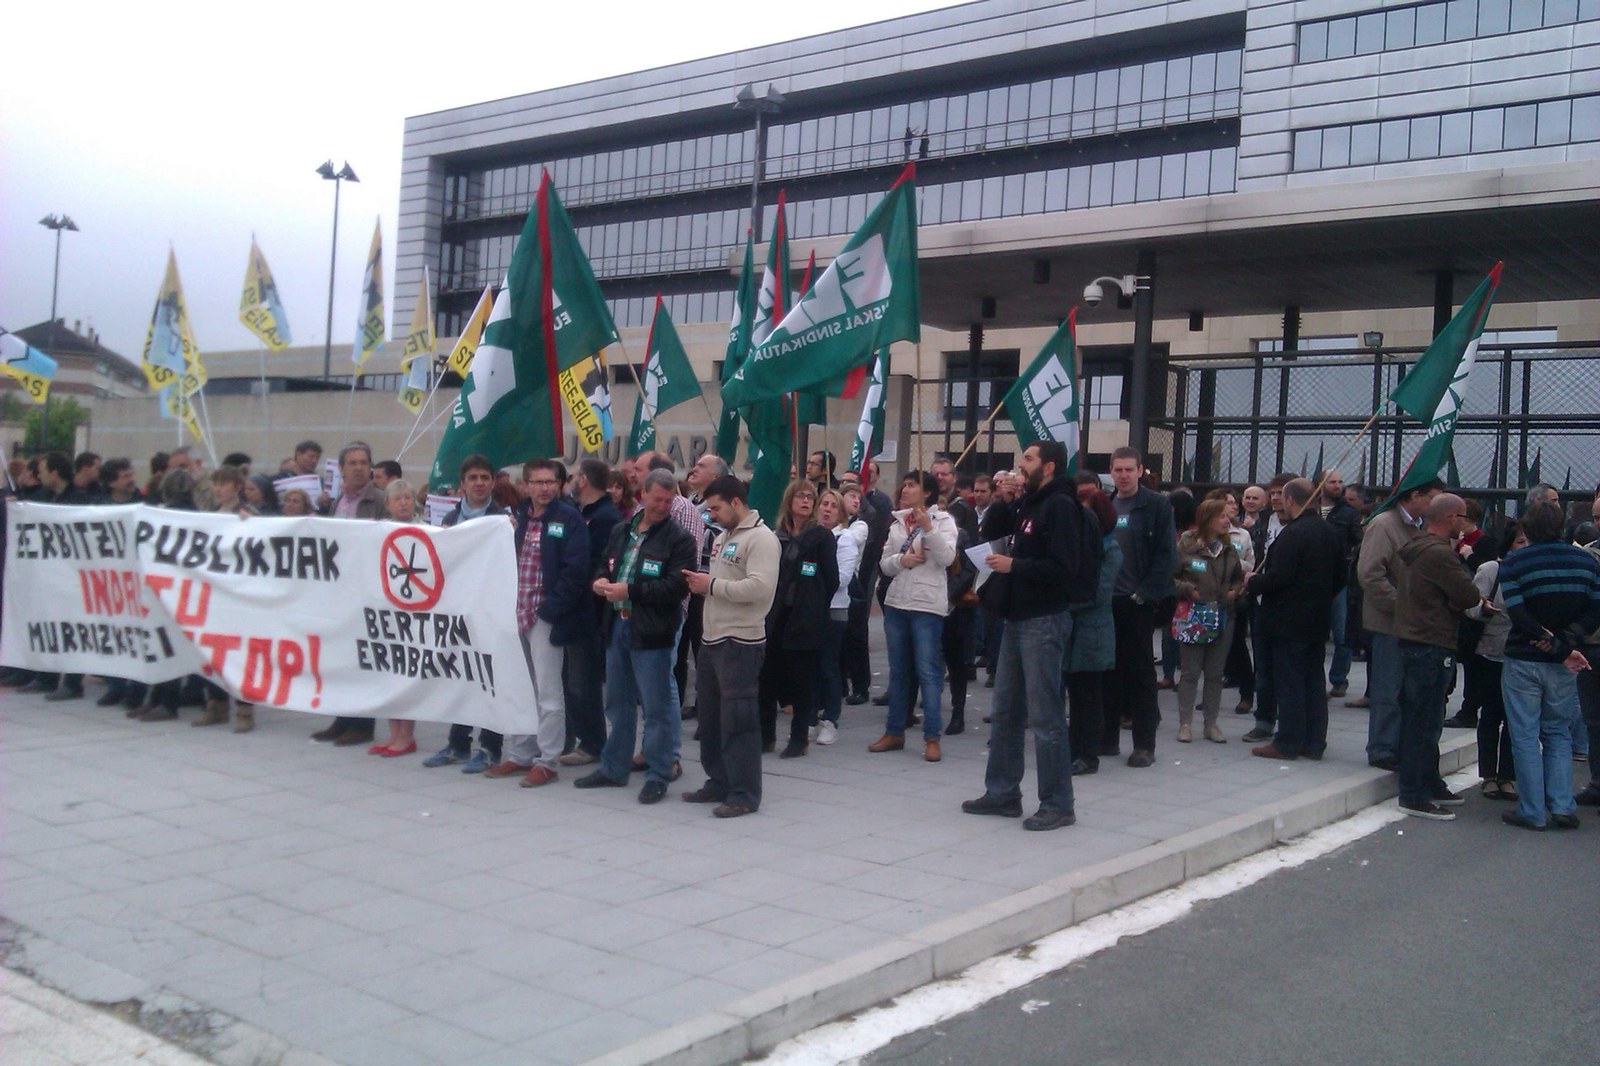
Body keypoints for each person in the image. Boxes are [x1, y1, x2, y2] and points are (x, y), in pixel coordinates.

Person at [961, 440, 1085, 830]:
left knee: (1046, 716)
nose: (1019, 464)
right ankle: (1002, 791)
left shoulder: (1062, 507)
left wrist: (1015, 566)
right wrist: (1004, 499)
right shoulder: (1029, 503)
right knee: (1006, 710)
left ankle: (1058, 802)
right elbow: (994, 530)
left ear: (1048, 466)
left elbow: (1065, 568)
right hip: (1017, 618)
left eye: (1028, 459)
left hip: (1044, 619)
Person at [576, 469, 696, 803]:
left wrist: (630, 590)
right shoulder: (621, 530)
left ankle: (659, 773)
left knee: (656, 708)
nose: (662, 506)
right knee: (617, 702)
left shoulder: (678, 538)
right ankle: (614, 767)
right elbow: (605, 564)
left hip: (653, 632)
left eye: (668, 501)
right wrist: (599, 582)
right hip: (617, 625)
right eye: (657, 499)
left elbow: (675, 586)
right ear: (642, 493)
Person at [483, 459, 592, 787]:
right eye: (538, 482)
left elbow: (576, 571)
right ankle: (519, 753)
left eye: (550, 482)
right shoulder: (516, 519)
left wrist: (549, 611)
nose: (545, 488)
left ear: (559, 484)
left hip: (544, 616)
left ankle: (547, 760)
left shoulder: (569, 518)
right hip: (515, 613)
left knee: (547, 691)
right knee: (519, 687)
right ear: (526, 484)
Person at [1497, 499, 1600, 831]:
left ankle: (1532, 810)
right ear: (1562, 526)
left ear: (1527, 528)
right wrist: (1566, 642)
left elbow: (1517, 611)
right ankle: (1562, 805)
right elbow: (1596, 609)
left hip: (1524, 657)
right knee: (1559, 731)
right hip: (1567, 661)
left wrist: (1546, 637)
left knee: (1525, 734)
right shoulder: (1587, 562)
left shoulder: (1514, 562)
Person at [1390, 494, 1485, 819]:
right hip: (1433, 641)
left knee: (1421, 715)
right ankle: (1414, 792)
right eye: (1462, 517)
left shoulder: (1414, 548)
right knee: (1425, 719)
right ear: (1452, 518)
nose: (1465, 523)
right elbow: (1468, 594)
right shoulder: (1440, 555)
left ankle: (1428, 781)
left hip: (1413, 637)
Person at [1244, 478, 1346, 762]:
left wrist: (1253, 582)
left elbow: (1279, 578)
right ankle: (1314, 741)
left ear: (1290, 500)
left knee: (1289, 683)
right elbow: (1341, 577)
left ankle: (1288, 741)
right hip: (1316, 620)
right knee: (1313, 681)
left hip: (1287, 621)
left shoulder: (1293, 534)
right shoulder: (1329, 532)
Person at [423, 454, 512, 772]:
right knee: (458, 677)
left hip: (490, 610)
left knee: (489, 678)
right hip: (457, 611)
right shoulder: (448, 520)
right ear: (462, 485)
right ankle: (458, 743)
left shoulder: (503, 519)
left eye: (484, 478)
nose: (478, 483)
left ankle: (490, 747)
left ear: (492, 482)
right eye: (472, 478)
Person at [1355, 479, 1443, 770]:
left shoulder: (1419, 526)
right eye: (1433, 497)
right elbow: (1370, 574)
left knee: (1408, 690)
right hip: (1391, 622)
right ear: (1415, 495)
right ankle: (1382, 749)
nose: (1437, 505)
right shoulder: (1384, 525)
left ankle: (1400, 744)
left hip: (1415, 625)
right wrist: (1403, 606)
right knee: (1388, 689)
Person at [870, 470, 958, 761]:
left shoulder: (944, 521)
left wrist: (928, 529)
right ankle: (894, 731)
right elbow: (884, 564)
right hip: (897, 602)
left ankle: (932, 736)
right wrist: (901, 560)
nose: (904, 490)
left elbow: (946, 558)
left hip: (926, 606)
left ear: (928, 493)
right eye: (904, 484)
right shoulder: (897, 522)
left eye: (911, 485)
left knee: (929, 672)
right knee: (898, 672)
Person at [1106, 447, 1177, 768]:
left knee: (1141, 673)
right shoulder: (1104, 504)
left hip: (1137, 603)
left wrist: (1144, 593)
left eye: (1128, 470)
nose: (1123, 475)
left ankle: (1144, 744)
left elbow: (1166, 556)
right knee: (1107, 671)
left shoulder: (1157, 505)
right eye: (1117, 470)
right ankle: (1105, 738)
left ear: (1140, 470)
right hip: (1106, 603)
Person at [758, 480, 838, 758]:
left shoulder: (821, 537)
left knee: (803, 680)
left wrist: (813, 604)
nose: (805, 501)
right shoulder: (775, 536)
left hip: (806, 617)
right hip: (776, 615)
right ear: (789, 501)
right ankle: (766, 735)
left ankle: (799, 737)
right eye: (800, 496)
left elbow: (832, 579)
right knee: (767, 677)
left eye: (810, 497)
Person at [559, 459, 621, 767]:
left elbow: (595, 562)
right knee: (571, 679)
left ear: (583, 479)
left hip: (589, 611)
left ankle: (593, 742)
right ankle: (573, 736)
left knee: (583, 680)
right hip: (573, 609)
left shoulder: (604, 517)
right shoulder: (581, 513)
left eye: (574, 476)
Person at [1172, 497, 1246, 744]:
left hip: (1223, 613)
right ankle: (1185, 723)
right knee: (1190, 671)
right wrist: (1187, 589)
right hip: (1194, 613)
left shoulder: (1229, 548)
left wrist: (1236, 591)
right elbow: (1171, 576)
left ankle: (1211, 723)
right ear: (1207, 518)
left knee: (1215, 673)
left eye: (1228, 516)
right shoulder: (1186, 545)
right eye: (1222, 516)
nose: (1228, 521)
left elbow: (1238, 577)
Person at [1463, 521, 1524, 801]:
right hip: (1490, 650)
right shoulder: (1491, 570)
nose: (1525, 547)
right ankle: (1489, 775)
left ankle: (1508, 776)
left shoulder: (1533, 571)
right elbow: (1471, 605)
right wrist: (1483, 607)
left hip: (1522, 654)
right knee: (1490, 714)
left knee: (1516, 719)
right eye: (1520, 541)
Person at [1066, 476, 1121, 774]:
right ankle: (1074, 749)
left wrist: (1062, 600)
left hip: (1092, 632)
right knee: (1075, 695)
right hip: (1074, 631)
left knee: (1088, 695)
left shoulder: (1109, 550)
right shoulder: (1081, 545)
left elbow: (1097, 594)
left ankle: (1088, 754)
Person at [370, 479, 425, 756]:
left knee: (407, 673)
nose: (403, 502)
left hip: (415, 612)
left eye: (407, 497)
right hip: (387, 611)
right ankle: (393, 731)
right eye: (398, 498)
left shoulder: (427, 530)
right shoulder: (378, 531)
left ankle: (407, 734)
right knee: (390, 673)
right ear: (387, 504)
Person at [814, 489, 858, 746]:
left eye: (833, 506)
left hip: (833, 609)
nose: (827, 509)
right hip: (810, 611)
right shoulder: (812, 535)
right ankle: (811, 716)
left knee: (829, 666)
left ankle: (831, 719)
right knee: (811, 666)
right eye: (824, 504)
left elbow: (842, 579)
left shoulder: (845, 539)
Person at [1318, 469, 1363, 699]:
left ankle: (1338, 679)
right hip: (1313, 580)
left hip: (1339, 580)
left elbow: (1359, 541)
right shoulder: (1311, 510)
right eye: (1332, 482)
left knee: (1342, 632)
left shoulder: (1349, 514)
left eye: (1340, 481)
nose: (1337, 486)